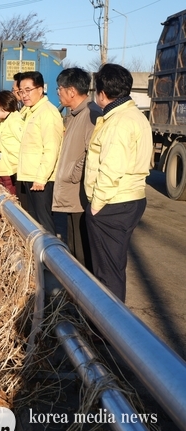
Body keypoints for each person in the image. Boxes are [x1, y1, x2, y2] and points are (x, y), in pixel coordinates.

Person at [84, 63, 152, 302]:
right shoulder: (134, 115)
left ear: (102, 93)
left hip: (112, 203)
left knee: (108, 271)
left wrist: (96, 204)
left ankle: (107, 322)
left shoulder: (118, 122)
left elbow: (111, 168)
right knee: (113, 265)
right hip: (130, 198)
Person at [52, 68, 102, 270]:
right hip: (72, 193)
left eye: (60, 89)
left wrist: (73, 175)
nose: (58, 93)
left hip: (80, 195)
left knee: (82, 252)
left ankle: (84, 289)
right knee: (73, 247)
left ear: (71, 91)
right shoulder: (75, 114)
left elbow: (93, 155)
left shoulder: (91, 114)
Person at [17, 71, 64, 235]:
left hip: (40, 180)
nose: (24, 95)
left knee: (44, 224)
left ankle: (49, 251)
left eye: (28, 90)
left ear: (40, 89)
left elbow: (51, 148)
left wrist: (41, 178)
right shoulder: (30, 112)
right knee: (34, 223)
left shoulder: (47, 113)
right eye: (21, 91)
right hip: (30, 176)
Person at [0, 90, 23, 195]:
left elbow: (23, 143)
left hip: (12, 169)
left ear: (2, 106)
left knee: (10, 198)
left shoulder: (14, 121)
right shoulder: (6, 121)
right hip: (7, 167)